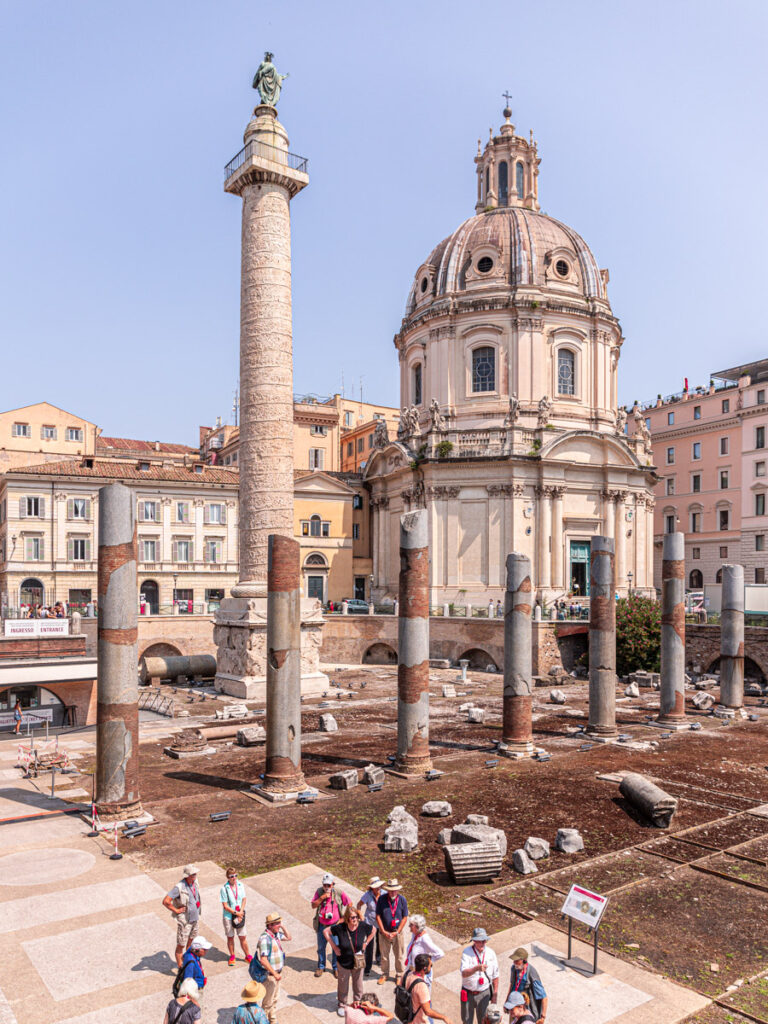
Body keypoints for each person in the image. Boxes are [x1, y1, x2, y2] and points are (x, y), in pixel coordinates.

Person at [325, 903, 374, 1015]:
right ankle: (342, 1004)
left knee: (358, 984)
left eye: (356, 916)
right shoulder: (340, 928)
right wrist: (334, 947)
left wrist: (366, 943)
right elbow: (325, 932)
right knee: (343, 984)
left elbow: (374, 930)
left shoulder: (362, 926)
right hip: (343, 962)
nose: (355, 919)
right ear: (347, 918)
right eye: (352, 917)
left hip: (358, 962)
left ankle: (358, 1003)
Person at [249, 911, 291, 1024]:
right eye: (277, 923)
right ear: (270, 925)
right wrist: (275, 973)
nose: (279, 924)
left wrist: (281, 926)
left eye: (279, 922)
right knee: (267, 1002)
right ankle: (263, 1021)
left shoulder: (275, 935)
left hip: (276, 974)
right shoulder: (265, 939)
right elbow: (263, 960)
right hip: (270, 976)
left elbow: (289, 937)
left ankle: (272, 1020)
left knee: (274, 999)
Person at [163, 865, 202, 968]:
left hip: (195, 919)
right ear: (187, 876)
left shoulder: (195, 882)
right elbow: (166, 901)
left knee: (192, 942)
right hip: (185, 921)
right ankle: (181, 968)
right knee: (181, 945)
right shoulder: (179, 887)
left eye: (195, 873)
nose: (195, 875)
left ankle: (189, 963)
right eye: (193, 874)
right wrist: (176, 910)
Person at [312, 872, 350, 977]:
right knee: (321, 947)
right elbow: (313, 905)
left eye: (329, 885)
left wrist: (343, 918)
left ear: (333, 884)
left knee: (336, 947)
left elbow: (349, 904)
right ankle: (321, 966)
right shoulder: (319, 892)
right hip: (322, 926)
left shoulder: (338, 892)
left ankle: (335, 967)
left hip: (335, 926)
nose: (326, 887)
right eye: (325, 885)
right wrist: (322, 898)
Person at [459, 928, 499, 1024]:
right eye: (479, 941)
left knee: (484, 1021)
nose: (482, 943)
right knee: (467, 1020)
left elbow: (495, 976)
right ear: (474, 941)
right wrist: (476, 968)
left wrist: (495, 995)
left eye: (484, 941)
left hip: (484, 993)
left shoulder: (491, 953)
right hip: (468, 993)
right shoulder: (466, 953)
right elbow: (464, 973)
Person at [375, 878, 408, 986]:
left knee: (399, 955)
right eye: (390, 890)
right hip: (384, 933)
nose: (392, 893)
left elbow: (405, 917)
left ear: (397, 890)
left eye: (394, 890)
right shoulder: (381, 899)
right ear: (387, 890)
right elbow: (378, 916)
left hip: (397, 933)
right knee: (384, 956)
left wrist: (397, 931)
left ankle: (399, 975)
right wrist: (383, 931)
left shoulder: (402, 900)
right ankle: (384, 974)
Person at [408, 953, 455, 1024]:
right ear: (425, 968)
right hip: (419, 1021)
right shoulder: (422, 987)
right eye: (431, 965)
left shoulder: (408, 975)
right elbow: (428, 1012)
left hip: (408, 1018)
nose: (431, 967)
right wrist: (444, 1017)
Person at [504, 948, 547, 1024]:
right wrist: (507, 1002)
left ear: (524, 960)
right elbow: (511, 985)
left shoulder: (532, 974)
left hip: (524, 1010)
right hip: (514, 1007)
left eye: (517, 961)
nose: (514, 963)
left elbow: (543, 997)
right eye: (514, 961)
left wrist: (542, 1017)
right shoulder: (514, 968)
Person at [221, 867, 252, 966]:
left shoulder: (240, 885)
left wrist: (241, 912)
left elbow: (244, 899)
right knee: (230, 937)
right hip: (229, 916)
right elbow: (225, 906)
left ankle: (247, 956)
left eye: (235, 875)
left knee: (242, 936)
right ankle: (232, 956)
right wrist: (236, 913)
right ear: (228, 877)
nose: (234, 878)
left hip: (239, 914)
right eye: (231, 876)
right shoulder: (224, 889)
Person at [404, 914, 444, 987]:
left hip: (422, 975)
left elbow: (440, 953)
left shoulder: (425, 939)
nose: (409, 926)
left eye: (411, 925)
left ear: (417, 927)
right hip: (413, 971)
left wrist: (428, 961)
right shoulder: (415, 935)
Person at [357, 876, 383, 977]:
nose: (378, 888)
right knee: (369, 945)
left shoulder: (384, 894)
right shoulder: (367, 895)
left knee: (380, 942)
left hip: (380, 923)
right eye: (376, 887)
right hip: (370, 923)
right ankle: (367, 968)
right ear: (372, 888)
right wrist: (361, 916)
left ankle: (379, 959)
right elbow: (359, 905)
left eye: (379, 886)